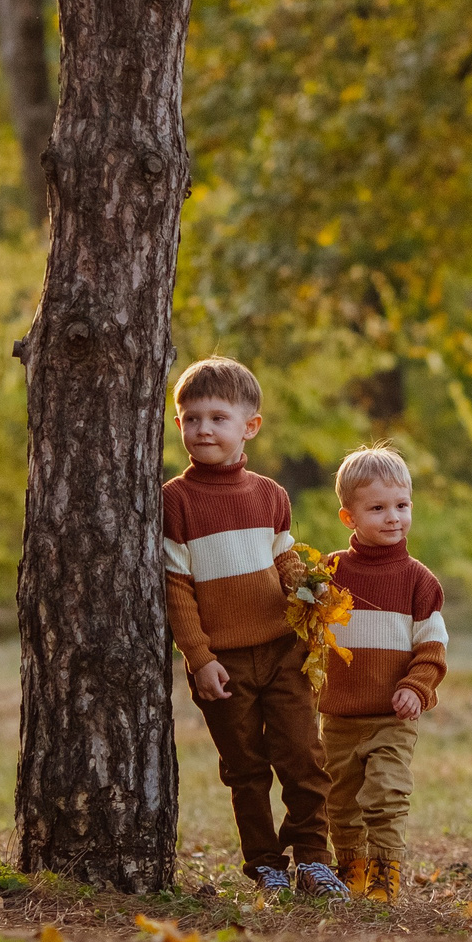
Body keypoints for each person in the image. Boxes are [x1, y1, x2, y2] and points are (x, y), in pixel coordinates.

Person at [162, 356, 348, 899]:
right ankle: (264, 862)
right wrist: (199, 658)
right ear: (178, 426)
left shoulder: (270, 495)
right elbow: (178, 587)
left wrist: (312, 597)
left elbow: (284, 560)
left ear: (250, 427)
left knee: (303, 758)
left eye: (218, 418)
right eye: (190, 419)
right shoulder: (175, 501)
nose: (203, 430)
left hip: (283, 649)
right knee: (244, 768)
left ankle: (314, 858)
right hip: (224, 662)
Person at [318, 445, 448, 902]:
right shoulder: (330, 573)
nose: (393, 517)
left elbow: (433, 647)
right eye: (377, 508)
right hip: (338, 715)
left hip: (392, 717)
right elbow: (307, 630)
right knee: (341, 799)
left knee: (387, 794)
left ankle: (384, 875)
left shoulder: (419, 581)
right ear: (348, 517)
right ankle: (350, 867)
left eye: (401, 505)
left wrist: (416, 686)